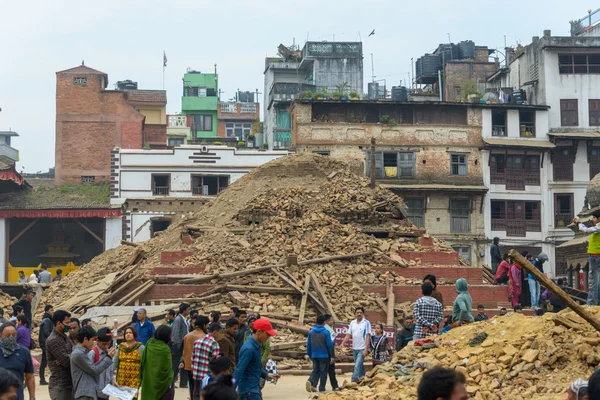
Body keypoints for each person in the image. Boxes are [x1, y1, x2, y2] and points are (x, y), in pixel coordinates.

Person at [234, 318, 280, 400]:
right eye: (267, 334)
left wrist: (266, 374)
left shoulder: (256, 345)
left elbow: (254, 366)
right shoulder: (249, 349)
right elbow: (239, 370)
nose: (268, 337)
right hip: (248, 391)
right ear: (259, 331)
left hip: (253, 389)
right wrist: (230, 389)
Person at [70, 326, 114, 400]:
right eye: (93, 340)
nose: (94, 343)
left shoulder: (83, 352)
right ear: (85, 339)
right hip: (84, 394)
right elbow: (94, 370)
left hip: (89, 393)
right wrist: (109, 358)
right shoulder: (79, 354)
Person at [0, 323, 34, 400]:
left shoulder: (24, 352)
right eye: (7, 335)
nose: (11, 337)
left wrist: (32, 397)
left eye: (13, 335)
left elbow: (30, 376)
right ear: (0, 335)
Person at [140, 325, 174, 400]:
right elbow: (167, 368)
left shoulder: (149, 344)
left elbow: (143, 362)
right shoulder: (165, 349)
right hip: (163, 384)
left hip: (149, 379)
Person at [46, 310, 73, 400]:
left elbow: (75, 353)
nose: (69, 325)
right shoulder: (53, 340)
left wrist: (70, 355)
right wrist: (71, 356)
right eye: (67, 323)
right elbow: (67, 361)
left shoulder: (65, 337)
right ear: (59, 323)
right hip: (60, 386)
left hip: (68, 384)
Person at [341, 307, 371, 383]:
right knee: (360, 366)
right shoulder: (352, 323)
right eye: (357, 312)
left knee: (357, 366)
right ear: (355, 314)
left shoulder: (366, 323)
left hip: (362, 348)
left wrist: (366, 349)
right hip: (355, 348)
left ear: (363, 314)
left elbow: (368, 336)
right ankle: (363, 381)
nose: (359, 314)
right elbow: (348, 334)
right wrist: (343, 343)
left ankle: (352, 382)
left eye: (360, 312)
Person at [575, 213, 600, 306]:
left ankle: (591, 303)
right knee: (597, 281)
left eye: (594, 217)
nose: (593, 219)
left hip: (595, 256)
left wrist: (578, 223)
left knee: (593, 280)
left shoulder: (598, 228)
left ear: (599, 218)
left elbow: (586, 229)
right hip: (597, 256)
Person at [191, 323, 221, 399]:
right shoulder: (214, 344)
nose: (219, 334)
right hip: (206, 377)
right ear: (215, 332)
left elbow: (193, 358)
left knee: (196, 394)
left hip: (196, 374)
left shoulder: (197, 341)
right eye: (219, 332)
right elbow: (215, 363)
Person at [182, 316, 209, 399]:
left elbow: (184, 352)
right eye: (207, 325)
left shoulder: (187, 336)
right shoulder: (205, 337)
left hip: (189, 366)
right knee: (201, 391)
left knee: (192, 390)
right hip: (201, 368)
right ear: (204, 325)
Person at [306, 315, 334, 393]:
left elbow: (308, 344)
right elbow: (330, 344)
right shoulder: (326, 332)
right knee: (323, 372)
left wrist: (309, 354)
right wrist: (332, 356)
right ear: (324, 322)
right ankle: (322, 388)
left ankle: (312, 383)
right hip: (324, 355)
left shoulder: (311, 332)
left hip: (314, 355)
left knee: (316, 369)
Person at [87, 327, 116, 400]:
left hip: (106, 393)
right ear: (97, 340)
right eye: (104, 344)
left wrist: (112, 380)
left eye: (108, 344)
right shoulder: (92, 354)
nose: (106, 346)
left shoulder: (109, 353)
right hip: (96, 394)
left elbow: (110, 371)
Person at [113, 326, 144, 392]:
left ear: (134, 334)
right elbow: (114, 362)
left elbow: (144, 364)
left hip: (135, 380)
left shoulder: (140, 347)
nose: (128, 334)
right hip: (122, 379)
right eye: (126, 333)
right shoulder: (121, 347)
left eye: (130, 332)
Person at [171, 303, 191, 385]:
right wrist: (180, 346)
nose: (189, 311)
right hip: (178, 346)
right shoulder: (178, 319)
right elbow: (175, 334)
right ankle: (171, 382)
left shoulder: (185, 319)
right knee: (175, 365)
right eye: (188, 309)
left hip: (184, 345)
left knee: (183, 364)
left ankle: (183, 383)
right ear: (184, 310)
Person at [38, 304, 54, 385]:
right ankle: (42, 379)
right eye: (51, 310)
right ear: (47, 310)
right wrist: (53, 337)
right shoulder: (47, 320)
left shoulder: (46, 319)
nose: (52, 311)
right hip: (46, 344)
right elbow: (46, 332)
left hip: (45, 343)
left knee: (45, 362)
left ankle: (42, 379)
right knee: (45, 362)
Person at [322, 314, 339, 391]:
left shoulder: (324, 328)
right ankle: (335, 386)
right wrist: (332, 355)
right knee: (331, 370)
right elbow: (331, 342)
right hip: (328, 352)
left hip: (322, 352)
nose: (333, 321)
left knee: (323, 370)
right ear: (327, 321)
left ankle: (321, 387)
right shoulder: (327, 329)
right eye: (331, 320)